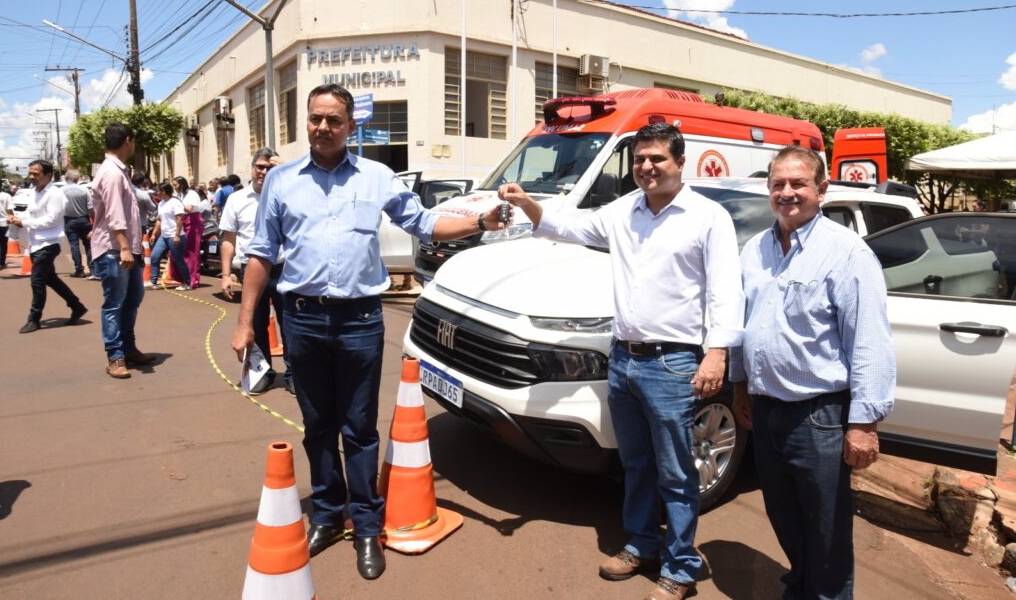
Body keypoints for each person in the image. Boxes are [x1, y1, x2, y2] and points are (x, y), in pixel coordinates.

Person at [231, 83, 507, 581]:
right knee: (317, 424)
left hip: (359, 321)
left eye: (333, 120)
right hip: (302, 318)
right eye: (315, 118)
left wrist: (479, 223)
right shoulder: (282, 181)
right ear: (307, 121)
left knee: (359, 427)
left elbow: (423, 222)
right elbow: (261, 254)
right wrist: (245, 321)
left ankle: (365, 525)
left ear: (350, 126)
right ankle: (326, 514)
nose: (323, 127)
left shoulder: (377, 177)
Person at [499, 123, 744, 600]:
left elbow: (725, 290)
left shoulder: (708, 217)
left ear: (680, 163)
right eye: (640, 160)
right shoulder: (624, 210)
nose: (647, 167)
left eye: (657, 159)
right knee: (636, 464)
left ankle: (680, 568)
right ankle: (641, 544)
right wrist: (527, 203)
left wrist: (717, 353)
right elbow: (567, 227)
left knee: (677, 472)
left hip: (674, 363)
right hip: (624, 360)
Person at [729, 147, 896, 600]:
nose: (787, 193)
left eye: (798, 184)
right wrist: (740, 386)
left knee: (826, 525)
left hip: (818, 416)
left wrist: (863, 423)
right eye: (778, 184)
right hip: (765, 409)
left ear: (821, 190)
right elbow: (745, 325)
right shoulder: (755, 249)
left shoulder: (847, 253)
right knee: (783, 513)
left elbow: (869, 340)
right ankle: (801, 585)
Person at [219, 147, 293, 396]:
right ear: (252, 168)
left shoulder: (288, 196)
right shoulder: (236, 200)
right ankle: (263, 373)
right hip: (250, 271)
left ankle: (294, 374)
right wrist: (226, 274)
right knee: (256, 324)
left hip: (284, 270)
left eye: (270, 168)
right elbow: (229, 239)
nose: (263, 172)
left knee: (290, 324)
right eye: (260, 167)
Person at [91, 123, 156, 379]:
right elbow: (114, 213)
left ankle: (128, 348)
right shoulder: (112, 172)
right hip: (116, 250)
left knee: (132, 299)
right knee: (114, 304)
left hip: (129, 249)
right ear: (128, 140)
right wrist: (125, 248)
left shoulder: (119, 171)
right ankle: (115, 356)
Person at [9, 160, 88, 334]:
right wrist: (17, 219)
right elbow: (30, 214)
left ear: (48, 175)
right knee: (50, 279)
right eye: (30, 173)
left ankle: (34, 319)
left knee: (37, 281)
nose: (32, 177)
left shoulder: (55, 194)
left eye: (36, 174)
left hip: (49, 243)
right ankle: (77, 306)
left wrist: (24, 222)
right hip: (35, 243)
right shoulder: (34, 192)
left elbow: (52, 220)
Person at [148, 182, 191, 291]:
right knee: (154, 256)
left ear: (164, 191)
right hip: (164, 236)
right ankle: (153, 281)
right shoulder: (161, 203)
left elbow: (180, 219)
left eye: (158, 191)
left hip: (174, 236)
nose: (157, 193)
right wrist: (154, 234)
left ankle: (187, 283)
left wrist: (177, 235)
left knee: (178, 260)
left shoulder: (175, 202)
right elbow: (159, 220)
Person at [61, 169, 94, 278]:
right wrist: (94, 221)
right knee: (88, 244)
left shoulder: (61, 191)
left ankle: (79, 270)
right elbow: (90, 208)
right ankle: (92, 268)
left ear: (66, 178)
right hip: (84, 220)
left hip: (69, 221)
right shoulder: (84, 190)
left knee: (74, 245)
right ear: (77, 178)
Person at [172, 176, 203, 289]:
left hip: (192, 222)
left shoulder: (191, 194)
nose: (174, 187)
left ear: (181, 184)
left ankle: (192, 280)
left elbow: (189, 209)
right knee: (178, 250)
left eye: (175, 185)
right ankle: (182, 278)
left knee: (191, 251)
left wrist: (176, 203)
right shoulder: (179, 195)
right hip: (182, 221)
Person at [0, 177, 13, 269]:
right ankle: (2, 262)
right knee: (4, 243)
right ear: (1, 185)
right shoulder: (6, 196)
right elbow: (10, 211)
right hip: (5, 224)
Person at [131, 172, 156, 237]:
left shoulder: (125, 190)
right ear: (142, 182)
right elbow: (152, 208)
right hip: (140, 223)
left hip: (127, 223)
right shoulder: (143, 194)